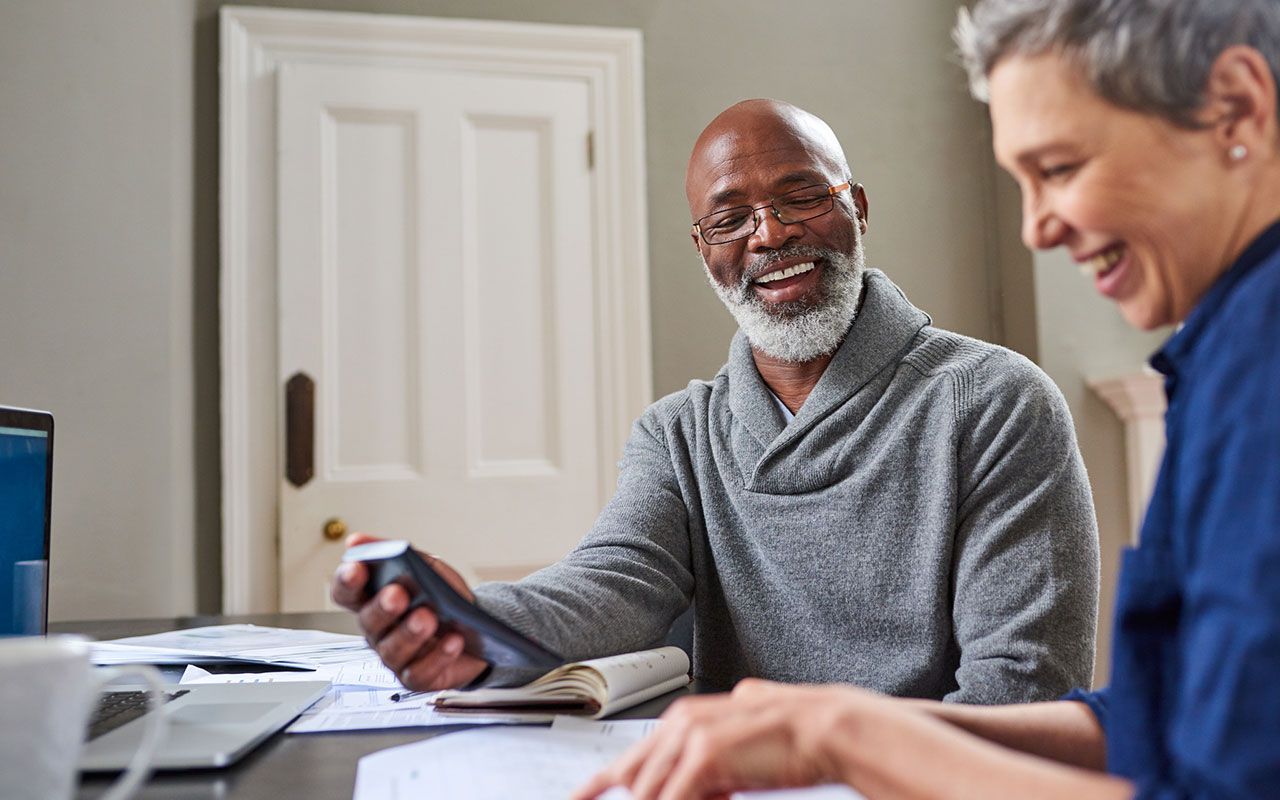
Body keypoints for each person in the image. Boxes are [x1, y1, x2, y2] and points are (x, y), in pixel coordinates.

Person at [574, 1, 1280, 798]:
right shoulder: (1225, 355)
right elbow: (1154, 722)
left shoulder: (1261, 366)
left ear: (1237, 107)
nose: (1034, 230)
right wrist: (830, 728)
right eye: (1021, 181)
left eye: (1060, 168)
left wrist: (840, 733)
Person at [331, 99, 1100, 704]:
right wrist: (472, 617)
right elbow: (613, 586)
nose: (769, 235)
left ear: (858, 209)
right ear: (706, 252)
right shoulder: (678, 435)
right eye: (730, 218)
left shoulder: (996, 402)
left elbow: (1020, 696)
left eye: (801, 197)